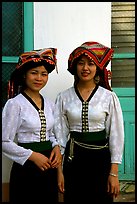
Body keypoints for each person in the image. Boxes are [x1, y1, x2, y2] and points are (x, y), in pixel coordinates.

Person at [53, 41, 124, 203]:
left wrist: (114, 172)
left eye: (91, 64)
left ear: (97, 67)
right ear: (75, 67)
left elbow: (116, 135)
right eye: (81, 63)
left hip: (101, 160)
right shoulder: (64, 97)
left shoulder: (108, 97)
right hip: (74, 159)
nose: (85, 68)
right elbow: (59, 134)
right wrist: (59, 171)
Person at [2, 48, 63, 203]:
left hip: (49, 167)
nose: (39, 78)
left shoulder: (49, 104)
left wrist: (55, 146)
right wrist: (33, 156)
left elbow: (51, 133)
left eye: (44, 74)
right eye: (34, 73)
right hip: (26, 169)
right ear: (24, 75)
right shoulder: (15, 104)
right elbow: (4, 141)